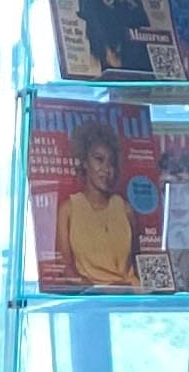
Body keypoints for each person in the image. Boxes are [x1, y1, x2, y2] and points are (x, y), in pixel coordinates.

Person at [55, 119, 139, 288]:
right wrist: (92, 290)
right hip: (89, 300)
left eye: (111, 163)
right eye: (99, 159)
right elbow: (65, 268)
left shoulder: (125, 209)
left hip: (129, 299)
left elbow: (138, 262)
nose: (106, 169)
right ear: (84, 162)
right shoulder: (68, 210)